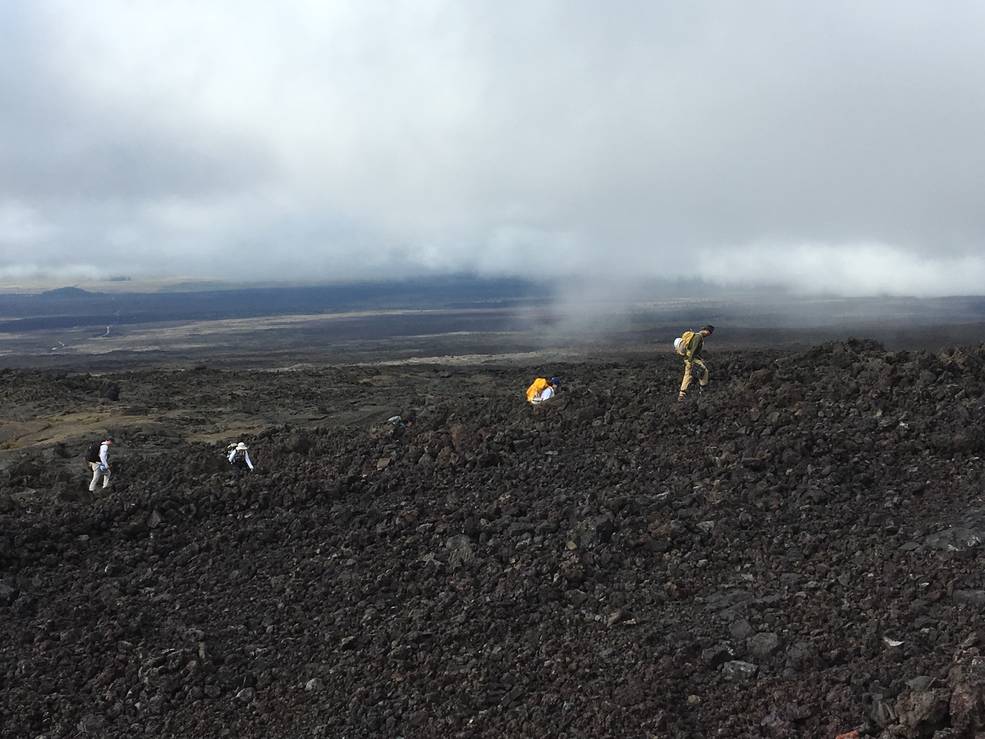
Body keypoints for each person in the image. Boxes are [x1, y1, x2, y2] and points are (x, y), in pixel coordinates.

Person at [677, 325, 714, 401]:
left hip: (688, 358)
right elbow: (694, 349)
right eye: (709, 332)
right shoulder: (698, 337)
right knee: (704, 371)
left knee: (688, 375)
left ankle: (682, 394)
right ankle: (703, 391)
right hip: (692, 359)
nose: (708, 334)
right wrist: (691, 361)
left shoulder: (696, 336)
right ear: (705, 330)